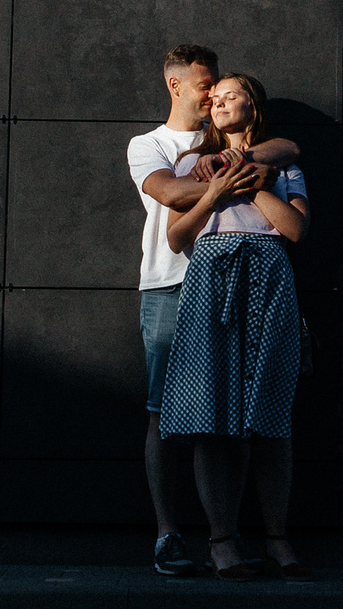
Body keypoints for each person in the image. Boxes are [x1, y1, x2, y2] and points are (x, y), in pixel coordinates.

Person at [126, 45, 300, 578]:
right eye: (207, 85)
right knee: (166, 411)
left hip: (248, 284)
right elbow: (175, 197)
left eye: (225, 88)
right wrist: (224, 179)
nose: (215, 93)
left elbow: (290, 150)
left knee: (239, 416)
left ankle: (238, 536)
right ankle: (168, 533)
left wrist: (245, 159)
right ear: (177, 85)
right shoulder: (152, 145)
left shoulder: (255, 150)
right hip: (170, 284)